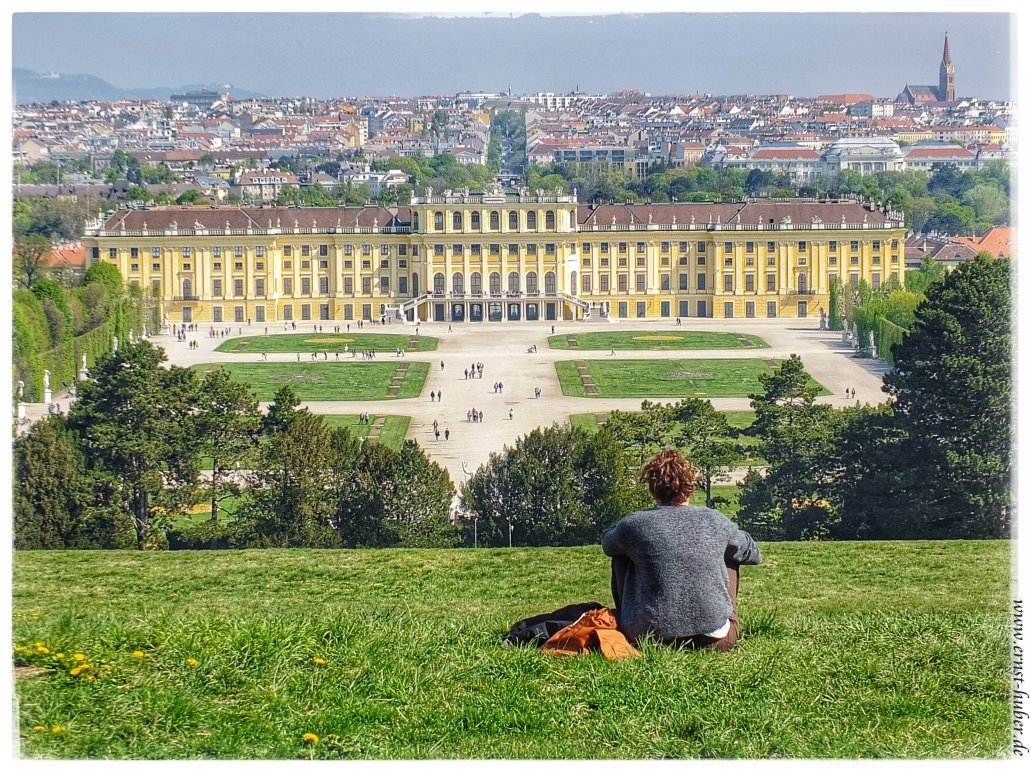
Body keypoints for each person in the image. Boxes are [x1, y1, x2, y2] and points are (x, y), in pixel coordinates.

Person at [602, 450, 761, 652]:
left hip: (649, 639)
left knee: (619, 554)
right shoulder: (715, 520)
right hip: (717, 641)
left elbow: (607, 544)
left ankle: (630, 620)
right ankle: (717, 616)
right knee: (732, 553)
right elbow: (753, 555)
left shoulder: (633, 524)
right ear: (690, 486)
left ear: (652, 487)